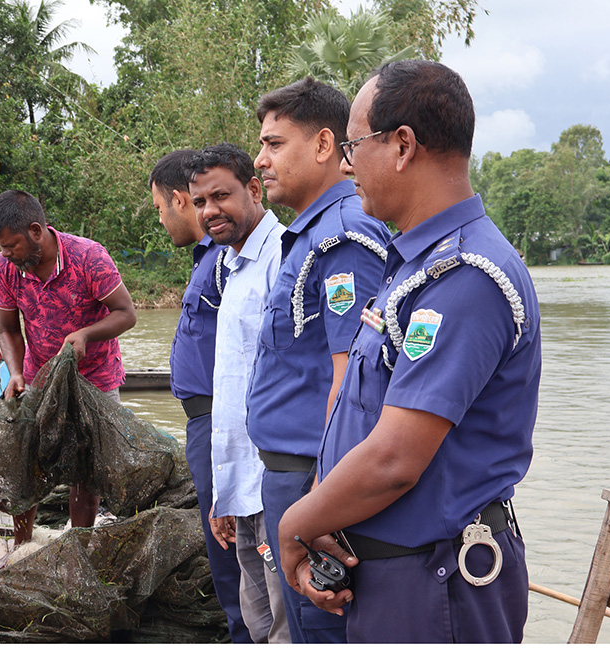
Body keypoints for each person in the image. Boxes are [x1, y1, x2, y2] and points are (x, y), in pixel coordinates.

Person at [278, 59, 541, 643]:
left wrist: (295, 523)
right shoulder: (414, 266)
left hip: (436, 581)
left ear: (401, 146)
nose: (346, 166)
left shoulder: (467, 276)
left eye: (353, 146)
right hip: (392, 574)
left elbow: (396, 459)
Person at [246, 76, 390, 643]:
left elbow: (350, 382)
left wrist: (324, 503)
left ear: (325, 145)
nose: (261, 160)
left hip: (313, 481)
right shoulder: (308, 235)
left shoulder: (343, 238)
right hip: (291, 476)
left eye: (275, 144)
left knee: (319, 629)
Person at [0, 189, 137, 548]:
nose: (6, 254)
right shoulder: (4, 268)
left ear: (36, 231)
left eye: (12, 245)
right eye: (1, 247)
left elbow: (126, 314)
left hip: (96, 378)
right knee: (27, 462)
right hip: (39, 376)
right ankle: (22, 549)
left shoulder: (88, 257)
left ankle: (78, 547)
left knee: (86, 471)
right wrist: (16, 372)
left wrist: (85, 334)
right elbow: (8, 330)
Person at [188, 143, 289, 643]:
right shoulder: (232, 264)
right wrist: (224, 495)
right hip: (242, 489)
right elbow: (232, 387)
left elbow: (294, 382)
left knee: (287, 625)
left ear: (253, 189)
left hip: (276, 487)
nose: (209, 212)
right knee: (257, 621)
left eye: (220, 196)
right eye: (199, 202)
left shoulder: (283, 257)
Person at [149, 150, 250, 643]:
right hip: (205, 424)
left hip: (221, 423)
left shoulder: (226, 262)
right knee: (224, 544)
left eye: (160, 209)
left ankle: (242, 634)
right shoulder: (208, 260)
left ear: (176, 200)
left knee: (230, 549)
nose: (163, 220)